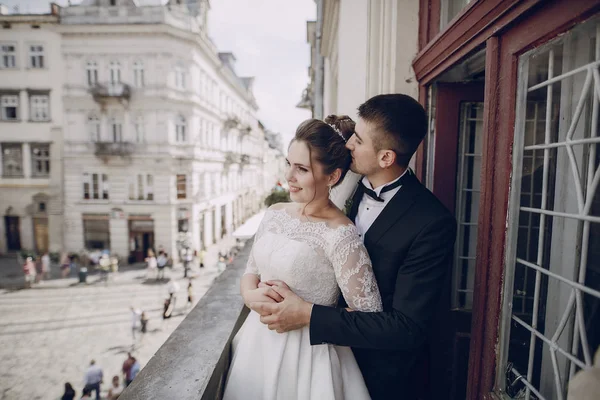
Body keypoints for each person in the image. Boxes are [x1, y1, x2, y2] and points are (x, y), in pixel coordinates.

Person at [251, 95, 457, 400]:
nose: (348, 145)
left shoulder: (432, 222)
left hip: (379, 375)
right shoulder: (345, 187)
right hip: (309, 360)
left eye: (358, 141)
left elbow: (407, 327)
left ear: (386, 157)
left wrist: (308, 314)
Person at [222, 116, 382, 400]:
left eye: (302, 169)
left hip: (308, 359)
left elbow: (369, 318)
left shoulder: (342, 234)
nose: (289, 177)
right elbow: (252, 269)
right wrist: (249, 294)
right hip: (255, 346)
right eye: (288, 164)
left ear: (332, 176)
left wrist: (306, 312)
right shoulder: (274, 213)